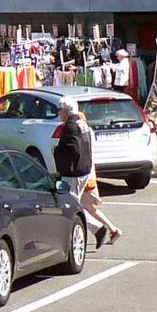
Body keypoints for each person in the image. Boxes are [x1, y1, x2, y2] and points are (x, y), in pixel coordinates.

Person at [56, 98, 121, 247]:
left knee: (71, 207)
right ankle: (100, 230)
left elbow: (73, 150)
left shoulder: (71, 127)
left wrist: (58, 153)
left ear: (66, 111)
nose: (59, 113)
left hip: (74, 173)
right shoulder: (82, 125)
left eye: (60, 110)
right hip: (84, 171)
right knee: (77, 205)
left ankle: (97, 229)